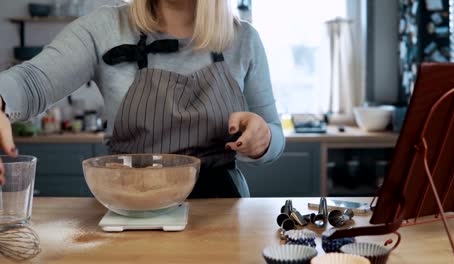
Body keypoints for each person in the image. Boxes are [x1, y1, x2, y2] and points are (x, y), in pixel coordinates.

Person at [0, 0, 285, 197]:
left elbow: (274, 133)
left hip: (222, 208)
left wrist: (264, 139)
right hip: (129, 207)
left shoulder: (244, 39)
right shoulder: (105, 27)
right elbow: (30, 81)